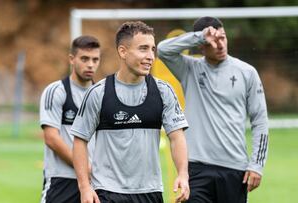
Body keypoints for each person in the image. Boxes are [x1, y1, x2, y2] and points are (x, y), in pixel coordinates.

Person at [71, 21, 190, 203]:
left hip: (150, 192)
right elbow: (80, 140)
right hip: (107, 191)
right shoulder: (98, 93)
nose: (150, 56)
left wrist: (183, 174)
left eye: (152, 49)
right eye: (143, 49)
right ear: (123, 52)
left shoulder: (163, 91)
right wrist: (85, 187)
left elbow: (177, 137)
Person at [157, 16, 269, 203]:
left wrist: (257, 165)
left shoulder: (247, 72)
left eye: (223, 38)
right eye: (213, 41)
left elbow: (260, 120)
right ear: (201, 46)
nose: (220, 45)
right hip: (196, 168)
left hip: (234, 169)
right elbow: (163, 50)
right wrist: (200, 36)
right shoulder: (189, 69)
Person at [39, 35, 101, 203]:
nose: (90, 64)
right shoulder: (56, 91)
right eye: (85, 59)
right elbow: (51, 138)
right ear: (72, 59)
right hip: (62, 179)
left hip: (96, 182)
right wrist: (84, 168)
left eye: (95, 60)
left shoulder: (102, 95)